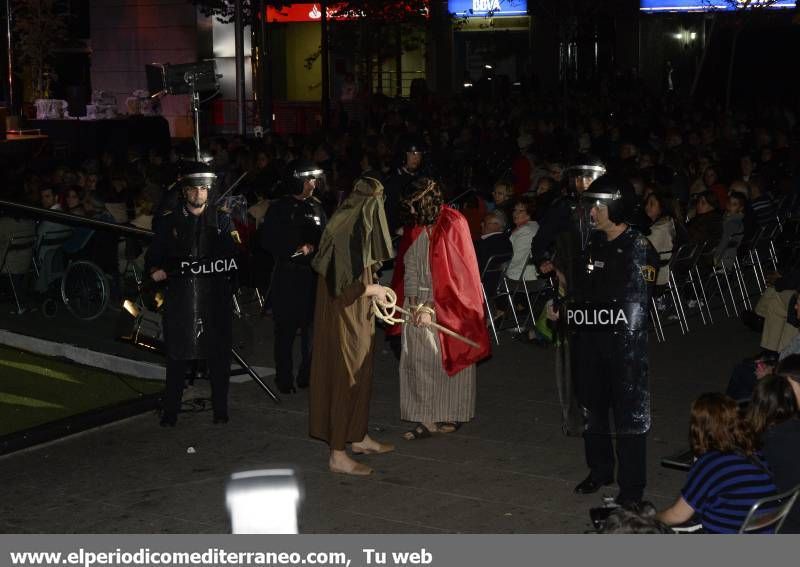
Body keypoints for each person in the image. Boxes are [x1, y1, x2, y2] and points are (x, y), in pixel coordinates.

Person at [548, 175, 658, 507]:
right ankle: (600, 470)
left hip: (624, 351)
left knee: (628, 419)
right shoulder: (592, 244)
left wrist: (578, 313)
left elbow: (635, 303)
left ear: (616, 206)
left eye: (598, 206)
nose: (592, 213)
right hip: (590, 346)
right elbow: (582, 291)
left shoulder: (639, 248)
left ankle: (632, 489)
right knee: (591, 412)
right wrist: (564, 305)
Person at [389, 177, 491, 440]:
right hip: (417, 303)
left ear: (425, 202)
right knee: (417, 361)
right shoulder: (415, 226)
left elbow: (461, 274)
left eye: (413, 205)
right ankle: (425, 417)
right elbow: (409, 265)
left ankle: (450, 411)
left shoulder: (454, 223)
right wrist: (412, 302)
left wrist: (432, 306)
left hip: (450, 304)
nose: (410, 211)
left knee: (447, 359)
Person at [308, 176, 396, 476]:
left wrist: (374, 292)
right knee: (344, 381)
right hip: (342, 321)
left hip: (360, 317)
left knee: (363, 375)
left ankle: (358, 436)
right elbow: (341, 290)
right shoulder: (345, 232)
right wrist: (374, 291)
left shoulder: (360, 228)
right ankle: (337, 454)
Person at [144, 164, 240, 426]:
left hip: (214, 297)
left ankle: (220, 410)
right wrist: (157, 271)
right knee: (177, 355)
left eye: (204, 188)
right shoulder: (169, 220)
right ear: (185, 191)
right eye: (194, 189)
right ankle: (171, 411)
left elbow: (234, 257)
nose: (199, 194)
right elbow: (154, 259)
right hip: (181, 297)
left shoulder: (221, 220)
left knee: (219, 355)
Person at [656, 393, 778, 533]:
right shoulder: (755, 454)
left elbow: (677, 515)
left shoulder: (711, 464)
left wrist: (651, 519)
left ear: (699, 428)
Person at [260, 160, 327, 394]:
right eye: (309, 179)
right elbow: (268, 241)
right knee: (286, 331)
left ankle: (306, 375)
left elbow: (325, 237)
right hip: (287, 276)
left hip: (311, 277)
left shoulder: (317, 206)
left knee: (312, 329)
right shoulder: (279, 208)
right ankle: (284, 377)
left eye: (314, 179)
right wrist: (296, 250)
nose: (313, 184)